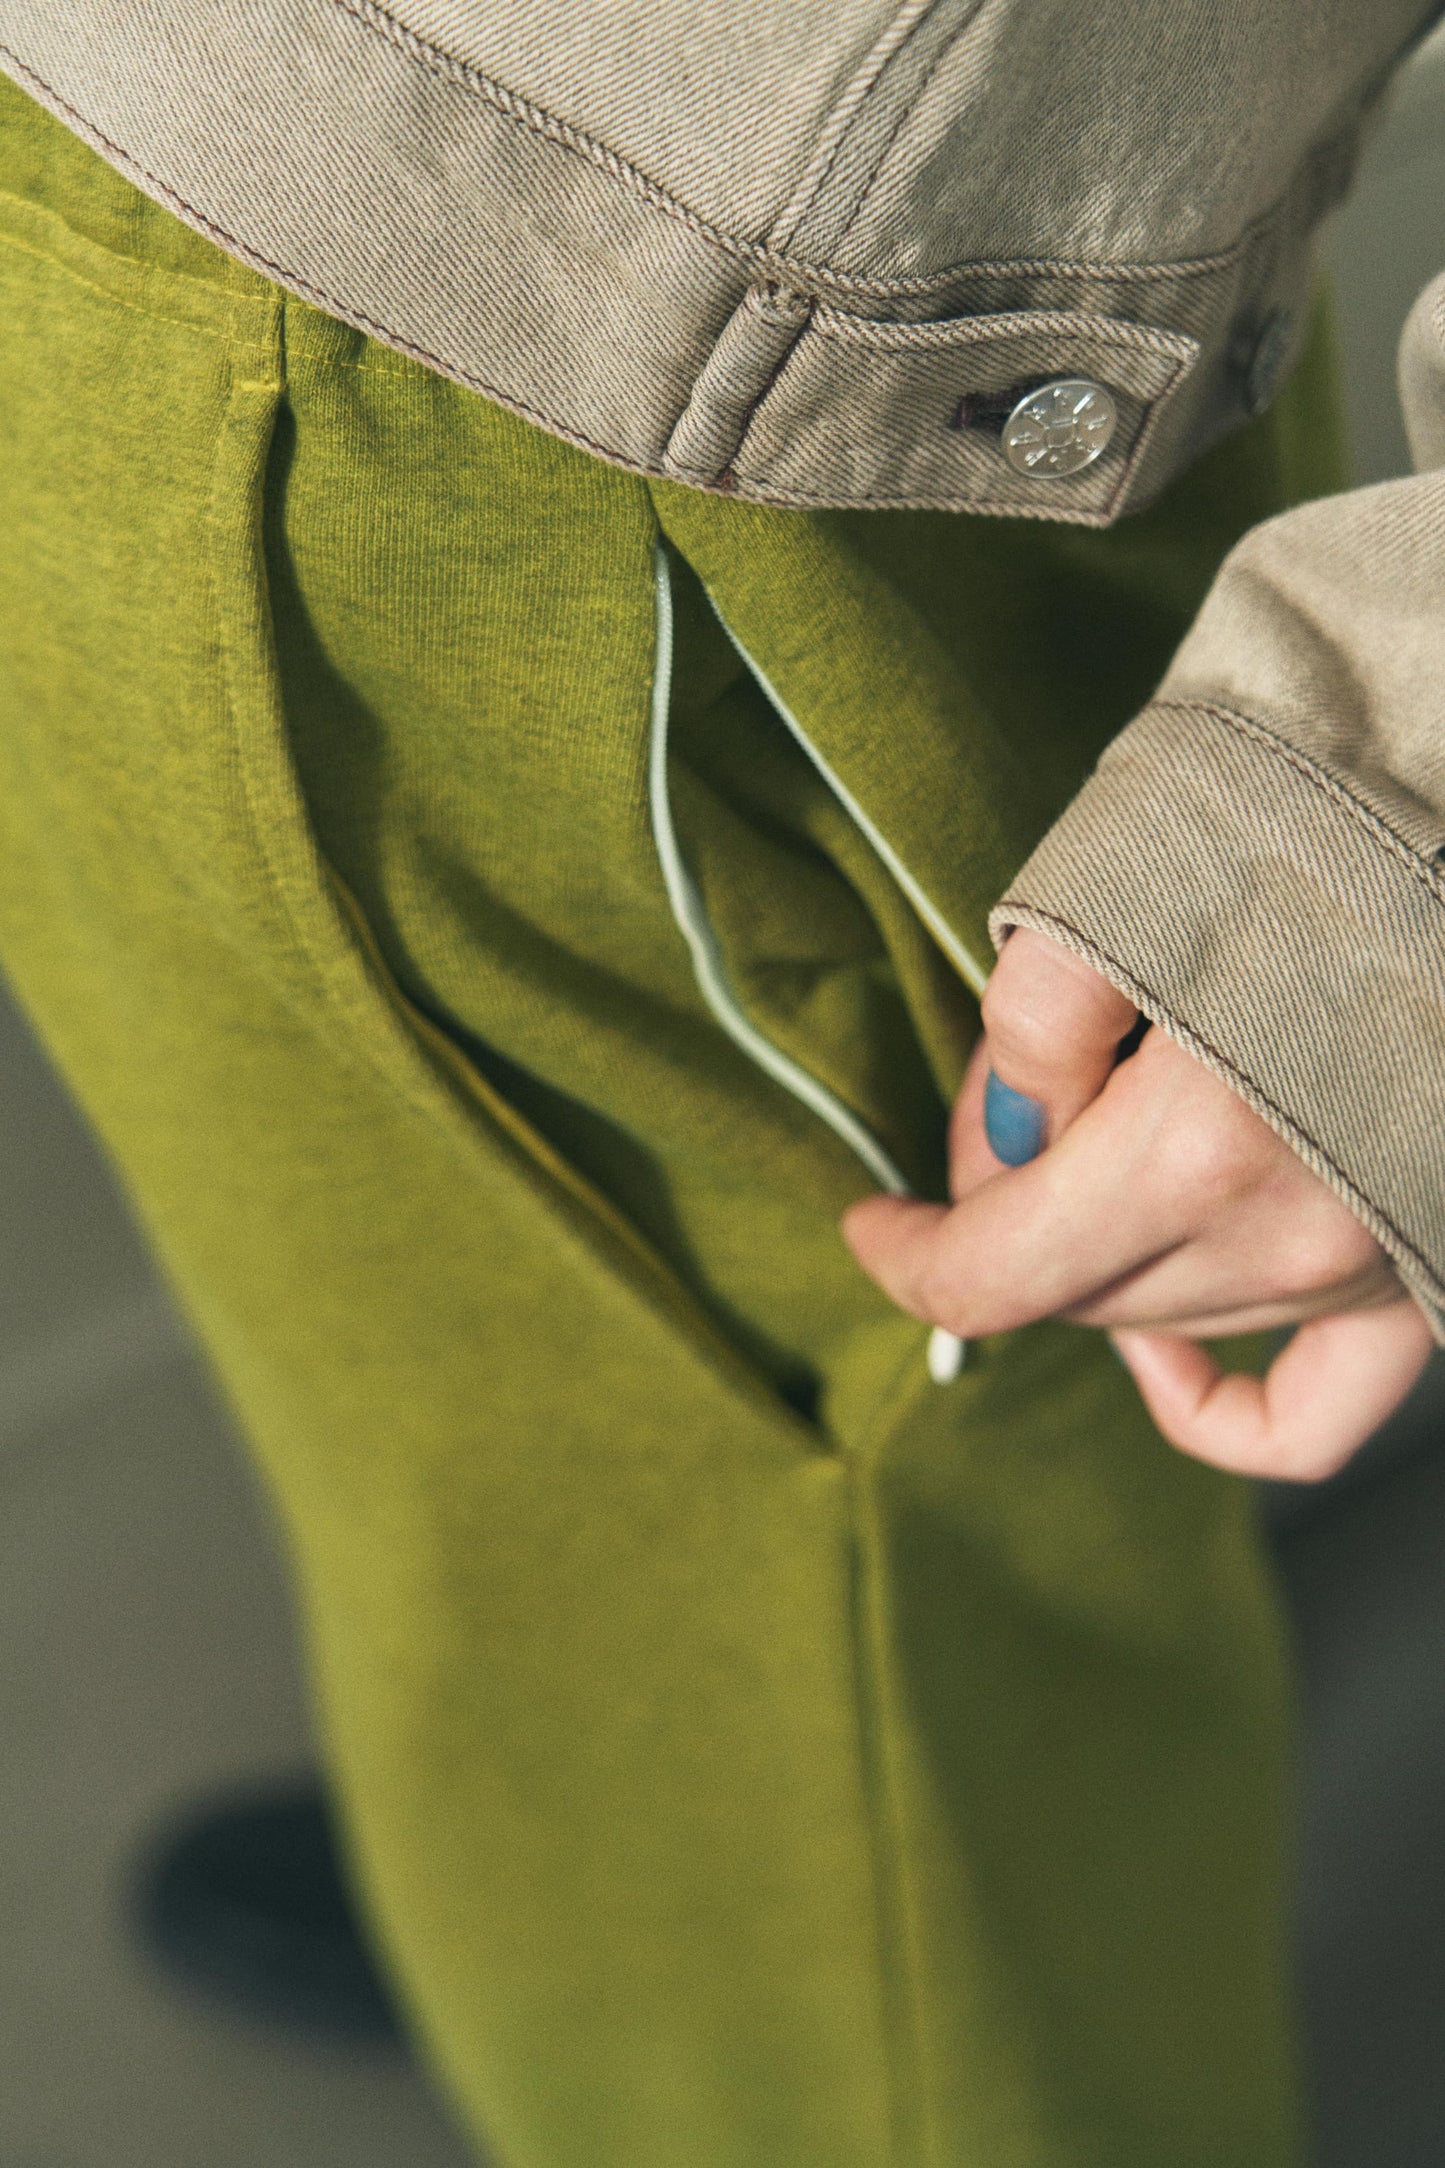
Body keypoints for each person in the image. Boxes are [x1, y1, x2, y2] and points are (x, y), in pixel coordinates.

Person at [1, 5, 1443, 2162]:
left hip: (609, 336)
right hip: (385, 182)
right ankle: (588, 1808)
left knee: (841, 1749)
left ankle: (734, 1902)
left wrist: (1403, 804)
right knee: (529, 1487)